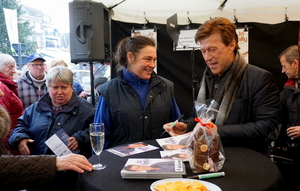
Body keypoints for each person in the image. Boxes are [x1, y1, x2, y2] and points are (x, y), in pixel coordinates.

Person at [163, 17, 281, 155]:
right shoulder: (207, 79)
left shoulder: (259, 78)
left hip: (247, 161)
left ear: (231, 45)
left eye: (212, 49)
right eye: (203, 51)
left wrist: (218, 131)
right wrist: (187, 126)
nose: (207, 57)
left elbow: (266, 126)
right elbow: (200, 116)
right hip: (209, 157)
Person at [9, 66, 95, 191]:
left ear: (72, 87)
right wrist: (20, 138)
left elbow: (99, 132)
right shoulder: (35, 109)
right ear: (48, 87)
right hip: (38, 175)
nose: (59, 92)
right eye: (55, 87)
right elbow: (20, 126)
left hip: (69, 181)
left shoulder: (87, 110)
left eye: (64, 87)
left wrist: (81, 137)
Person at [94, 36, 182, 149]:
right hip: (122, 164)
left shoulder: (165, 87)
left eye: (154, 59)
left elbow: (177, 126)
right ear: (130, 57)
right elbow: (99, 136)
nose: (153, 65)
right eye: (147, 59)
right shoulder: (109, 91)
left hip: (160, 162)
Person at [278, 45, 300, 165]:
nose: (282, 71)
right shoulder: (289, 88)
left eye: (284, 66)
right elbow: (275, 109)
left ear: (295, 64)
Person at [0, 54, 23, 155]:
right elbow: (3, 122)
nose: (14, 71)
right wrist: (8, 149)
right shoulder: (3, 88)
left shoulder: (7, 86)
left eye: (14, 67)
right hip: (10, 143)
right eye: (10, 67)